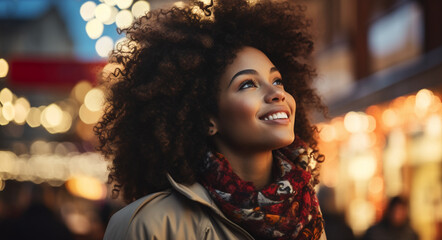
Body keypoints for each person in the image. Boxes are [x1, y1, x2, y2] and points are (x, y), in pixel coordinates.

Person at [96, 0, 327, 239]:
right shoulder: (147, 226)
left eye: (277, 81)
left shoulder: (306, 215)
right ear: (208, 120)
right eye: (248, 84)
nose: (277, 93)